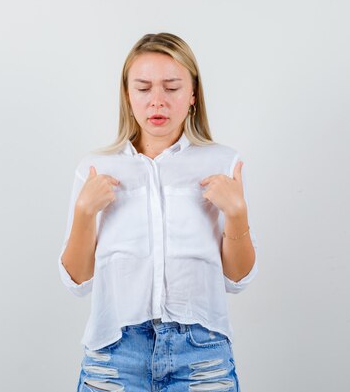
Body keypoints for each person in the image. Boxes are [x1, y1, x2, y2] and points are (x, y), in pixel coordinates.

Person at [58, 32, 258, 392]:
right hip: (115, 353)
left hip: (200, 354)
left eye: (172, 87)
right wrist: (85, 213)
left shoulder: (222, 163)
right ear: (127, 95)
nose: (157, 101)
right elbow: (77, 282)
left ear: (193, 94)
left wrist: (238, 213)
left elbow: (237, 279)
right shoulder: (95, 168)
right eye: (144, 88)